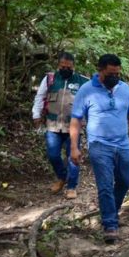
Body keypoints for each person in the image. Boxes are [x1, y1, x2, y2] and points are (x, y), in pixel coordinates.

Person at [70, 54, 129, 244]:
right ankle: (110, 224)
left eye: (118, 73)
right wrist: (73, 147)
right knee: (105, 185)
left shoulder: (125, 89)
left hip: (123, 144)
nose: (115, 76)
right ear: (100, 70)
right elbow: (76, 120)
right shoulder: (86, 90)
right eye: (111, 73)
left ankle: (110, 210)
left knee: (125, 180)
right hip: (99, 145)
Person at [31, 52, 89, 199]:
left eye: (68, 67)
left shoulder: (82, 81)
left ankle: (72, 186)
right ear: (58, 65)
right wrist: (36, 115)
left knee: (73, 157)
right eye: (62, 66)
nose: (65, 69)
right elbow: (40, 97)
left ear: (73, 66)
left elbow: (90, 102)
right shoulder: (50, 79)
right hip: (53, 125)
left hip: (73, 127)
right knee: (53, 155)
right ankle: (62, 177)